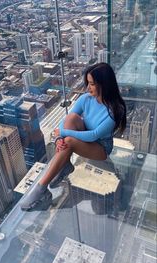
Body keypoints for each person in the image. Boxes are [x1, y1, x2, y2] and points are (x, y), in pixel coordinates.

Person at [21, 62, 126, 211]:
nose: (88, 88)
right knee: (71, 119)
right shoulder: (86, 99)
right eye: (87, 83)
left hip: (101, 148)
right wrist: (58, 139)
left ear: (105, 84)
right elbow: (66, 120)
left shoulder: (116, 109)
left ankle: (41, 188)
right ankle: (64, 165)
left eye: (92, 84)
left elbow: (93, 135)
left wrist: (62, 134)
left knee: (69, 140)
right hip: (84, 137)